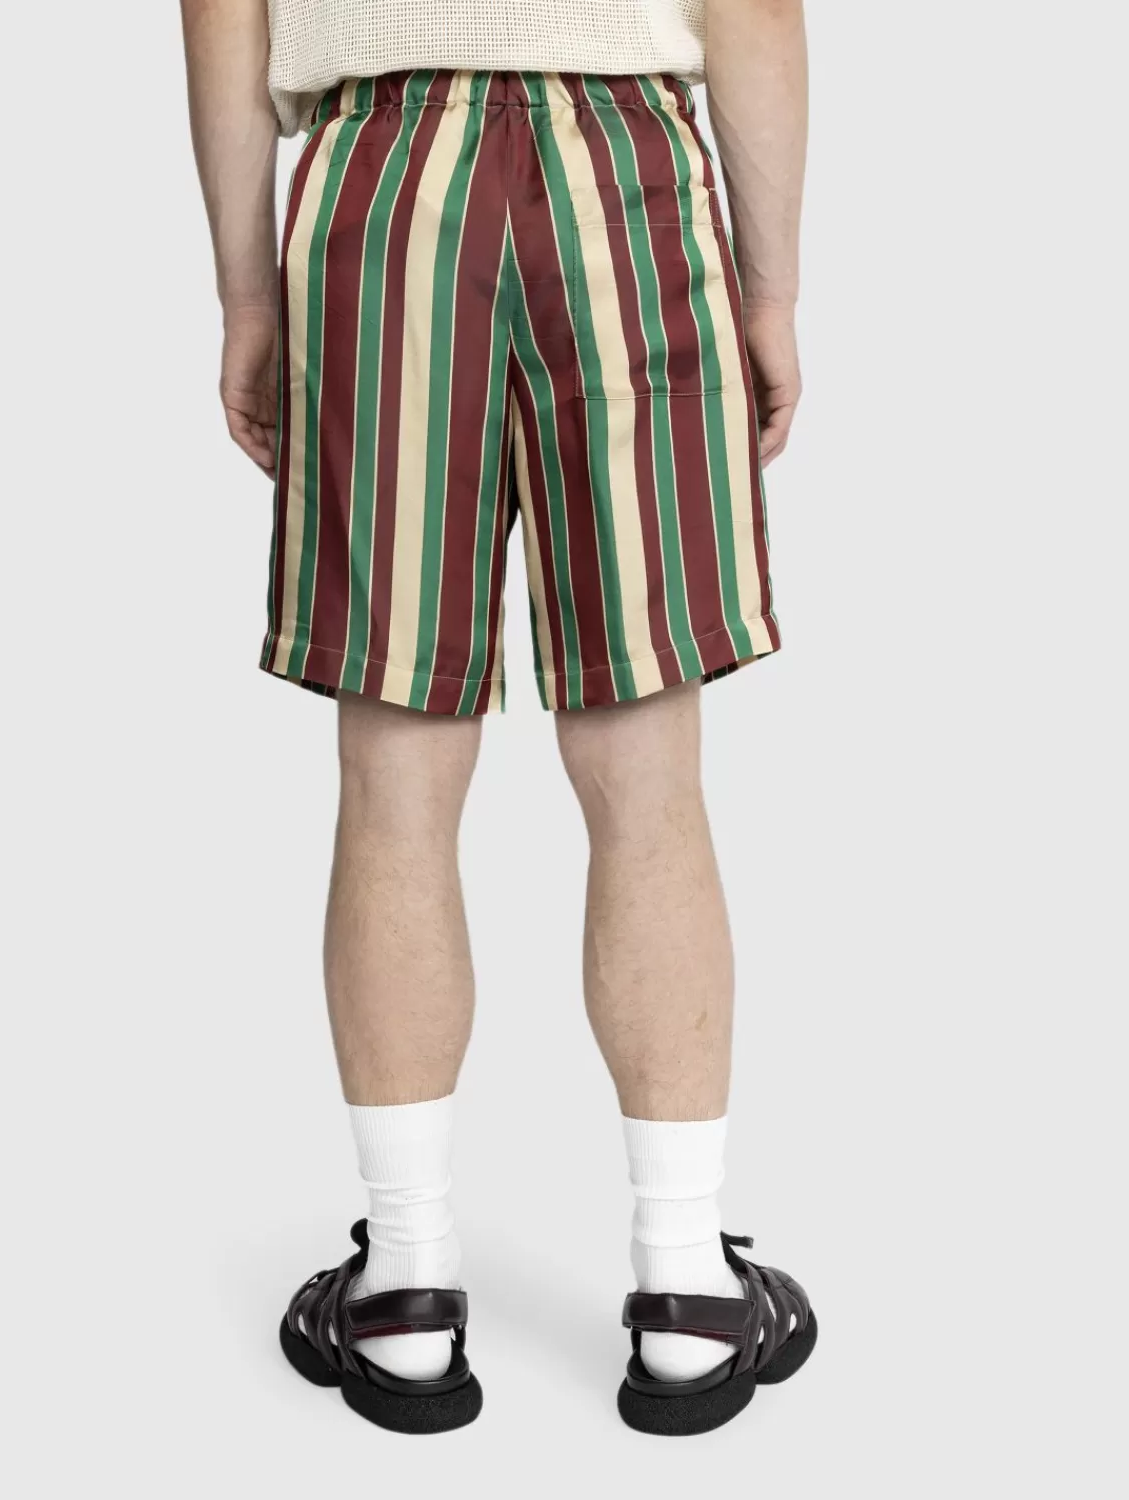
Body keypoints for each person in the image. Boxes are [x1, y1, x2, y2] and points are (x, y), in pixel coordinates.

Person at [181, 0, 812, 1437]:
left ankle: (404, 1291)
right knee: (646, 772)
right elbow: (752, 9)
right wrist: (771, 291)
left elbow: (224, 10)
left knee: (395, 773)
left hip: (384, 184)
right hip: (624, 184)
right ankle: (685, 1291)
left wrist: (248, 299)